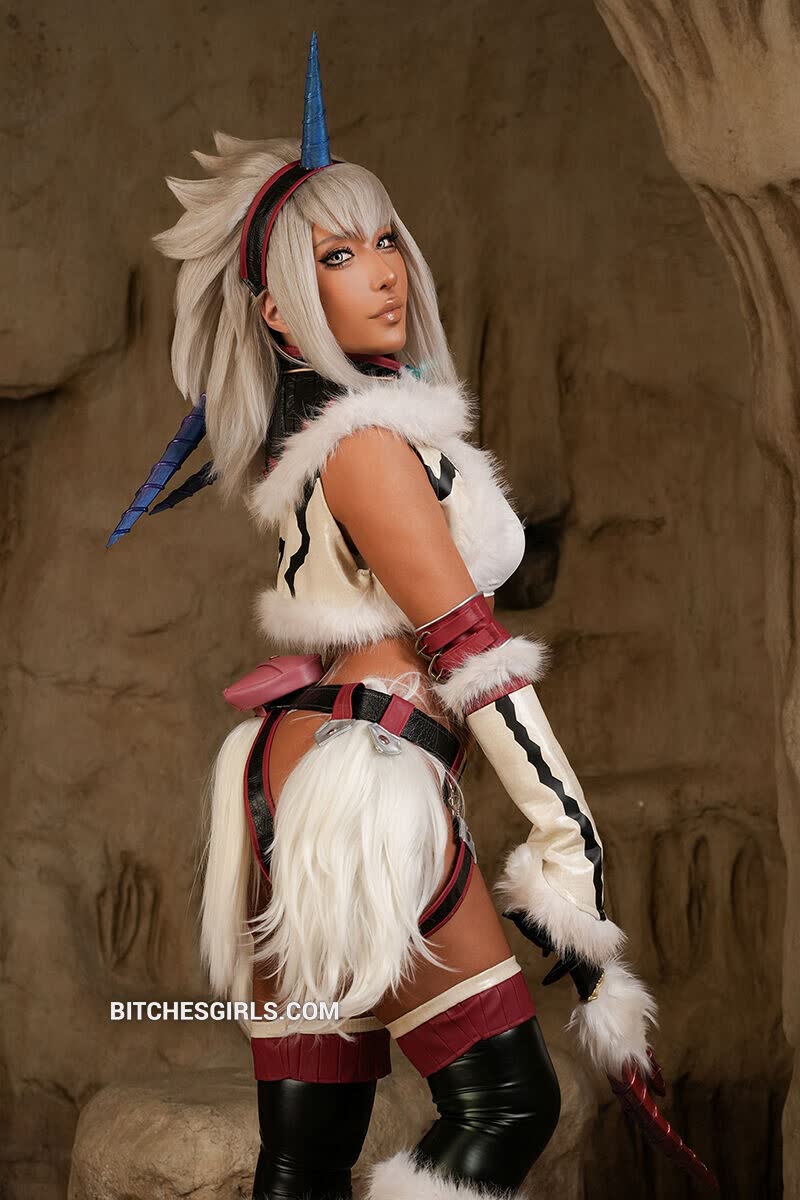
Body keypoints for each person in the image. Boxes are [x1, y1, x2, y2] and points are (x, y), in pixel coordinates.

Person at [108, 32, 717, 1200]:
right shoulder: (369, 447)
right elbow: (470, 651)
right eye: (339, 255)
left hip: (299, 780)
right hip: (364, 790)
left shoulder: (331, 443)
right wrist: (567, 840)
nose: (383, 271)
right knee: (506, 1105)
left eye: (386, 240)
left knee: (307, 1153)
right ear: (284, 316)